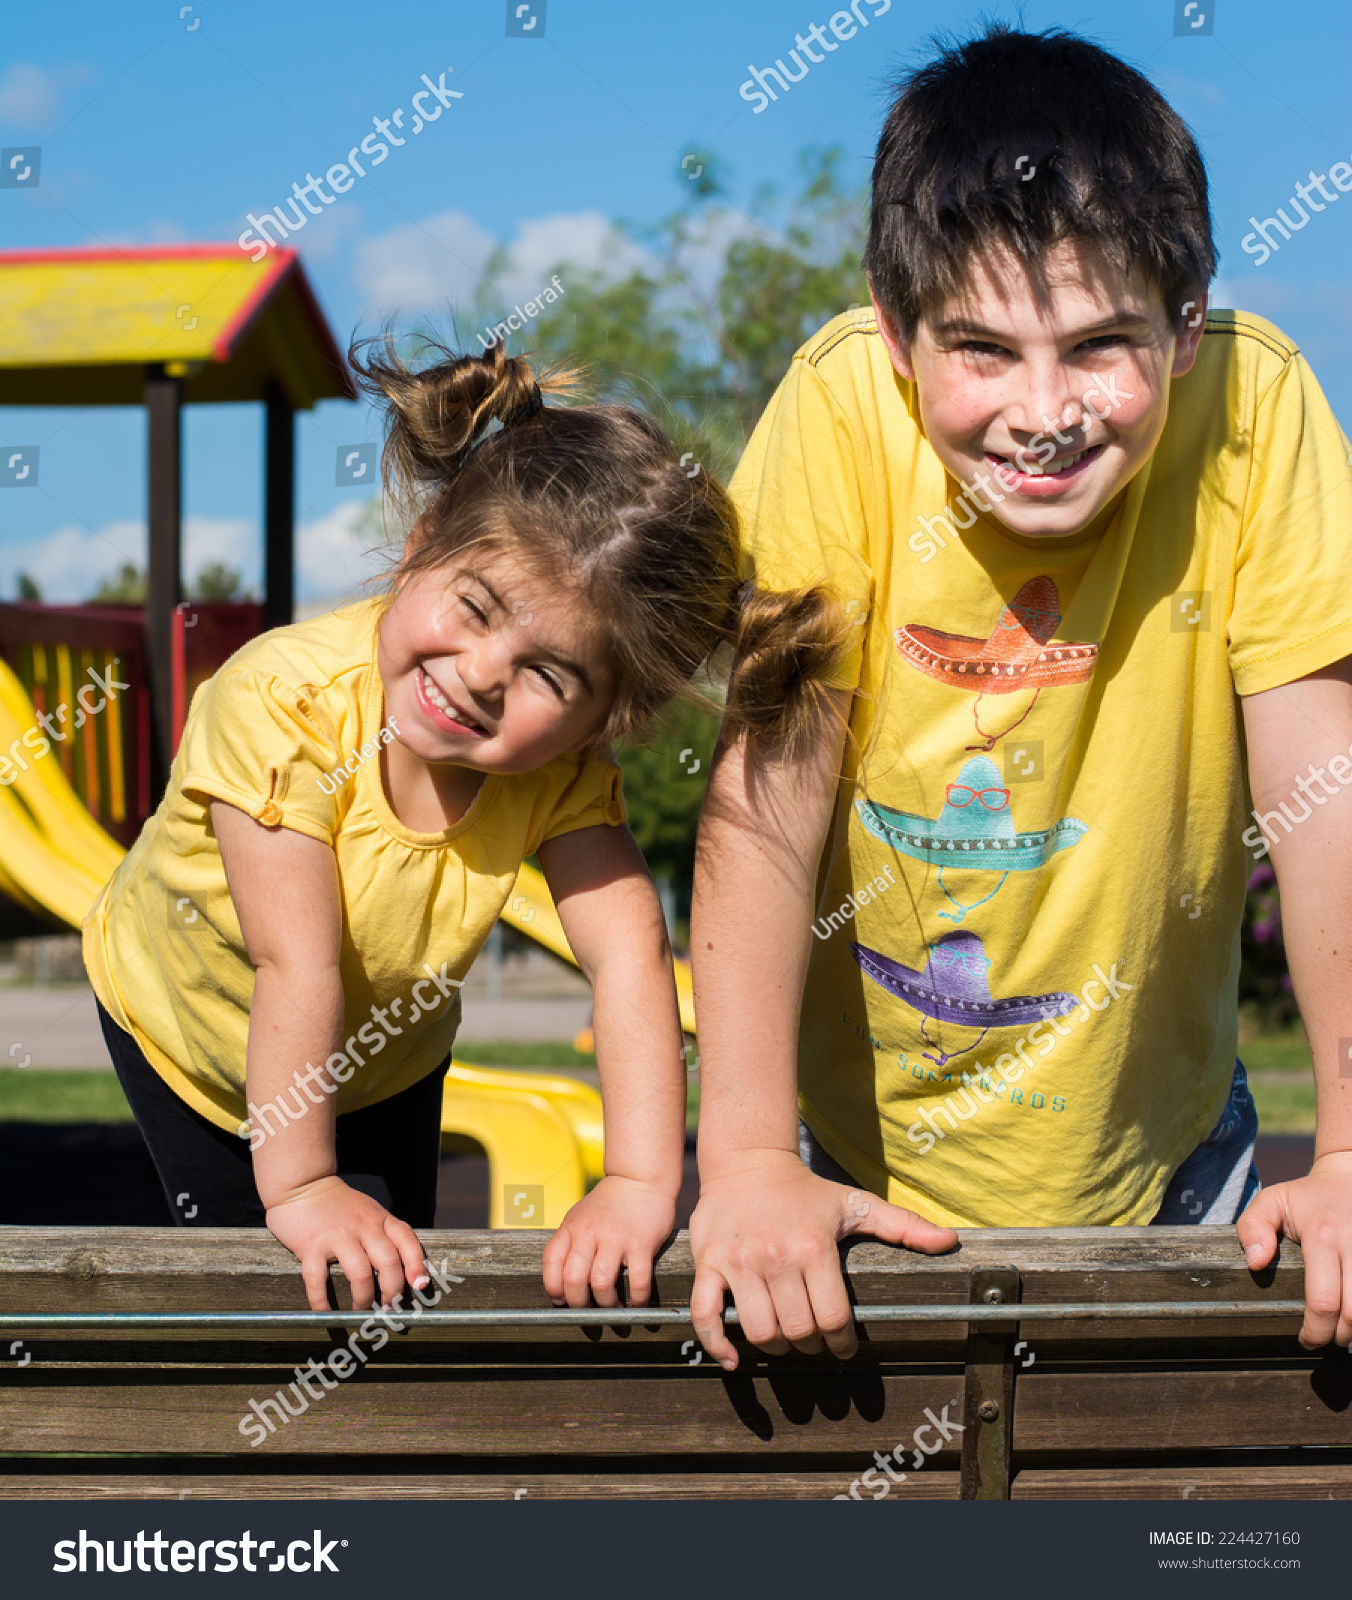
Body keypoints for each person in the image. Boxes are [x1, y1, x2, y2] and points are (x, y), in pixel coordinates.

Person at [688, 23, 1352, 1370]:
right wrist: (750, 1155)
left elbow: (1321, 784)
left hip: (1169, 1162)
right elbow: (772, 786)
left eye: (1100, 344)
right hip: (846, 1163)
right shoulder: (833, 412)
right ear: (895, 331)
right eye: (982, 350)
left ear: (1183, 324)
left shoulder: (1257, 403)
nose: (1042, 414)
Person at [82, 334, 851, 1315]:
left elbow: (628, 955)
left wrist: (635, 1184)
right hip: (190, 1026)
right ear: (422, 544)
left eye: (547, 672)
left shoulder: (558, 772)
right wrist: (305, 1186)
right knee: (271, 1279)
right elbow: (298, 965)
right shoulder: (281, 702)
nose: (484, 672)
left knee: (397, 1274)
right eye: (476, 606)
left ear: (607, 717)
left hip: (390, 1049)